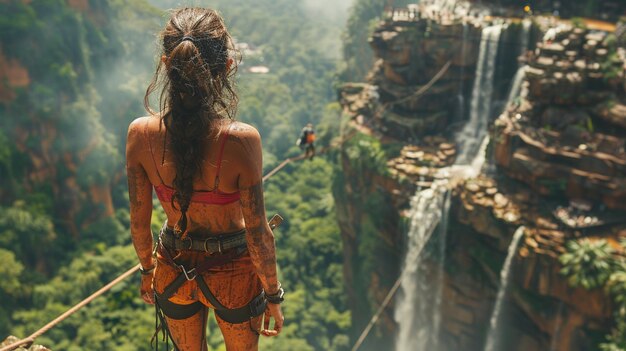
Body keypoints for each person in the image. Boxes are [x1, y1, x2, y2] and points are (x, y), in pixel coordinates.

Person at [125, 8, 284, 351]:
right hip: (234, 275)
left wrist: (146, 269)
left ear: (167, 63)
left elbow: (139, 223)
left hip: (172, 270)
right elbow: (258, 233)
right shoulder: (241, 141)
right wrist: (273, 293)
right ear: (226, 67)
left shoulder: (139, 135)